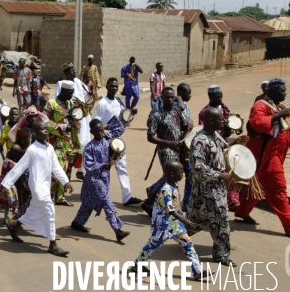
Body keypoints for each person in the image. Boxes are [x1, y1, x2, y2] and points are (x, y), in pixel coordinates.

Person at [235, 78, 290, 241]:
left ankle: (241, 213)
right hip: (266, 157)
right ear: (273, 91)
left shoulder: (278, 107)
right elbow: (257, 123)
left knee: (258, 188)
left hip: (276, 156)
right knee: (278, 191)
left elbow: (284, 133)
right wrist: (278, 115)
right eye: (283, 90)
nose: (285, 93)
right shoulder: (261, 106)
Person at [1, 121, 73, 256]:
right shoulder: (32, 150)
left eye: (46, 129)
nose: (46, 131)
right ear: (35, 133)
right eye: (42, 129)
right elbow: (19, 167)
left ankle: (14, 224)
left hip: (46, 185)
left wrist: (66, 181)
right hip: (37, 187)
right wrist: (6, 184)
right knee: (49, 211)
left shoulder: (49, 148)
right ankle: (53, 245)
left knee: (34, 211)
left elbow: (56, 166)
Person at [131, 161, 204, 280]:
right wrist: (185, 220)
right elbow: (170, 210)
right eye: (180, 172)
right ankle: (138, 265)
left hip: (175, 225)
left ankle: (198, 271)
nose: (183, 174)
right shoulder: (165, 190)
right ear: (171, 174)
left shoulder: (173, 186)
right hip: (162, 225)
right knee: (152, 245)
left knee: (188, 244)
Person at [187, 107, 235, 267]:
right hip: (207, 189)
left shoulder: (216, 137)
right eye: (220, 119)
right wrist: (220, 175)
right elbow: (197, 167)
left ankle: (180, 235)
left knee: (198, 219)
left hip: (217, 189)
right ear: (209, 121)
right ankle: (222, 255)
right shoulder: (200, 140)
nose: (223, 121)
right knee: (221, 219)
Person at [70, 119, 131, 241]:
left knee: (88, 203)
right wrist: (102, 165)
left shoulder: (107, 140)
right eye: (97, 131)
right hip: (93, 180)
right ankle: (117, 229)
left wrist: (108, 124)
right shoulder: (89, 147)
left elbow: (119, 127)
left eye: (101, 130)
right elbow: (88, 165)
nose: (100, 133)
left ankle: (77, 223)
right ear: (91, 132)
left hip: (104, 178)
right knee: (106, 201)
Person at [94, 77, 142, 206]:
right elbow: (97, 123)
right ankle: (99, 195)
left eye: (116, 86)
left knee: (122, 167)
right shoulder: (102, 103)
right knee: (103, 169)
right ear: (107, 87)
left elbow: (124, 117)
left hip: (117, 140)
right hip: (105, 140)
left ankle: (127, 197)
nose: (114, 88)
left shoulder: (118, 101)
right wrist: (105, 128)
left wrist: (131, 114)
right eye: (112, 86)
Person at [142, 87, 186, 216]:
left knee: (168, 178)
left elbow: (184, 125)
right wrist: (169, 143)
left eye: (172, 97)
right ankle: (171, 207)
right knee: (171, 177)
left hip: (178, 149)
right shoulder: (157, 115)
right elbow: (150, 137)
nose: (170, 100)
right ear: (162, 98)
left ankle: (151, 197)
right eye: (167, 97)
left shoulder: (177, 111)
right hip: (165, 150)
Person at [197, 85, 241, 207]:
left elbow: (227, 129)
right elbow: (203, 129)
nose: (221, 98)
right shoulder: (204, 112)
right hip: (211, 145)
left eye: (221, 95)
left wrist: (232, 127)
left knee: (229, 169)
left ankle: (232, 200)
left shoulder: (225, 109)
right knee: (215, 172)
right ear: (210, 97)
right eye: (218, 96)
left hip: (223, 143)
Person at [45, 80, 86, 206]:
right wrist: (63, 127)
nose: (72, 95)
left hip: (70, 142)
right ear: (63, 91)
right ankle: (50, 195)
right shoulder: (51, 103)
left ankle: (61, 197)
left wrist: (82, 105)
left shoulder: (70, 103)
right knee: (58, 168)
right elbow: (45, 122)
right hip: (55, 141)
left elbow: (82, 115)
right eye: (70, 92)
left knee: (67, 169)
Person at [55, 63, 92, 180]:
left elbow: (87, 94)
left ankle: (80, 170)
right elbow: (58, 101)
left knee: (84, 142)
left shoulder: (78, 82)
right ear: (66, 73)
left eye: (74, 70)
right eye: (71, 71)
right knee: (70, 144)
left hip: (82, 117)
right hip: (69, 117)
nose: (74, 72)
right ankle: (65, 171)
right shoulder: (61, 84)